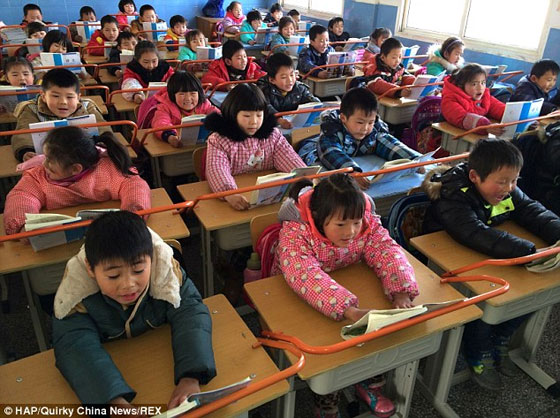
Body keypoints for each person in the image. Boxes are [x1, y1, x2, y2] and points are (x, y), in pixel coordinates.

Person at [273, 173, 418, 417]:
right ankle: (327, 403)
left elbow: (386, 249)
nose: (351, 231)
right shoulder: (296, 230)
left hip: (347, 282)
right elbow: (304, 275)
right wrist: (348, 308)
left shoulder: (365, 219)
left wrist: (401, 290)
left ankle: (368, 384)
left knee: (375, 332)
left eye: (356, 222)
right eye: (340, 225)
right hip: (299, 295)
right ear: (319, 217)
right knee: (328, 348)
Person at [422, 138, 560, 390]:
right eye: (503, 181)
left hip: (489, 254)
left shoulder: (505, 189)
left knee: (532, 292)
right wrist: (528, 251)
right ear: (474, 176)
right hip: (450, 261)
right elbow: (473, 232)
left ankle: (501, 336)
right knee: (489, 300)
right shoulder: (453, 194)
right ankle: (478, 348)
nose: (510, 188)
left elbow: (532, 210)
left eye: (515, 180)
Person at [52, 211, 216, 410]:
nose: (128, 284)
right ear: (90, 268)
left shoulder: (167, 274)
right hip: (116, 367)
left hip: (156, 360)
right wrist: (112, 401)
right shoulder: (75, 295)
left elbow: (191, 315)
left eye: (138, 271)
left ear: (152, 259)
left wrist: (191, 377)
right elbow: (74, 346)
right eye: (114, 275)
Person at [4, 127, 151, 235]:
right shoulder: (38, 176)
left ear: (75, 169)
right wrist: (23, 225)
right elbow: (22, 196)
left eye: (50, 160)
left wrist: (133, 211)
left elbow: (133, 184)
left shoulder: (107, 169)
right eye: (45, 157)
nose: (44, 164)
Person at [203, 83, 305, 210]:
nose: (254, 122)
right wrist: (229, 193)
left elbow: (288, 157)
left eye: (259, 115)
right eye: (247, 116)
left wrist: (303, 177)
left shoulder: (272, 135)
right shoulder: (219, 140)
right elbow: (217, 169)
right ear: (233, 114)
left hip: (269, 197)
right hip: (237, 195)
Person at [299, 88, 420, 187]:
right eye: (360, 122)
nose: (365, 128)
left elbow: (389, 143)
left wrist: (414, 160)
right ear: (343, 118)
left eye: (370, 122)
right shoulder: (331, 131)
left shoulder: (373, 131)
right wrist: (352, 171)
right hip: (314, 151)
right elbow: (331, 151)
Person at [11, 68, 109, 162]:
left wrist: (104, 143)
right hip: (49, 161)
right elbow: (23, 133)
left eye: (69, 97)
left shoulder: (87, 106)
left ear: (78, 97)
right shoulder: (31, 109)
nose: (63, 102)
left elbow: (102, 127)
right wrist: (26, 151)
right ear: (44, 96)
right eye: (55, 96)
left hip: (84, 157)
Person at [151, 71, 219, 147]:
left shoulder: (204, 104)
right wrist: (171, 137)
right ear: (173, 95)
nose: (188, 98)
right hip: (176, 144)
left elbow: (217, 114)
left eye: (193, 93)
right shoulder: (165, 107)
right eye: (182, 94)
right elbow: (160, 122)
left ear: (199, 93)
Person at [257, 52, 319, 129]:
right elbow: (266, 108)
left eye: (292, 75)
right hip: (272, 128)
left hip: (294, 127)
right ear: (272, 80)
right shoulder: (263, 90)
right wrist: (279, 120)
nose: (290, 80)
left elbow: (314, 103)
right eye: (283, 77)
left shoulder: (300, 88)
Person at [441, 64, 505, 135]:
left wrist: (510, 114)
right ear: (461, 85)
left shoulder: (484, 97)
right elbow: (463, 118)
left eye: (483, 83)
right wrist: (486, 126)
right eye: (474, 84)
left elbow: (497, 107)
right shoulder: (450, 99)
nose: (480, 88)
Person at [201, 40, 266, 90]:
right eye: (239, 58)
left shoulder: (251, 66)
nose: (244, 60)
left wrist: (264, 80)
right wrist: (226, 85)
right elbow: (207, 79)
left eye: (245, 56)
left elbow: (262, 76)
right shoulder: (218, 67)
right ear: (228, 61)